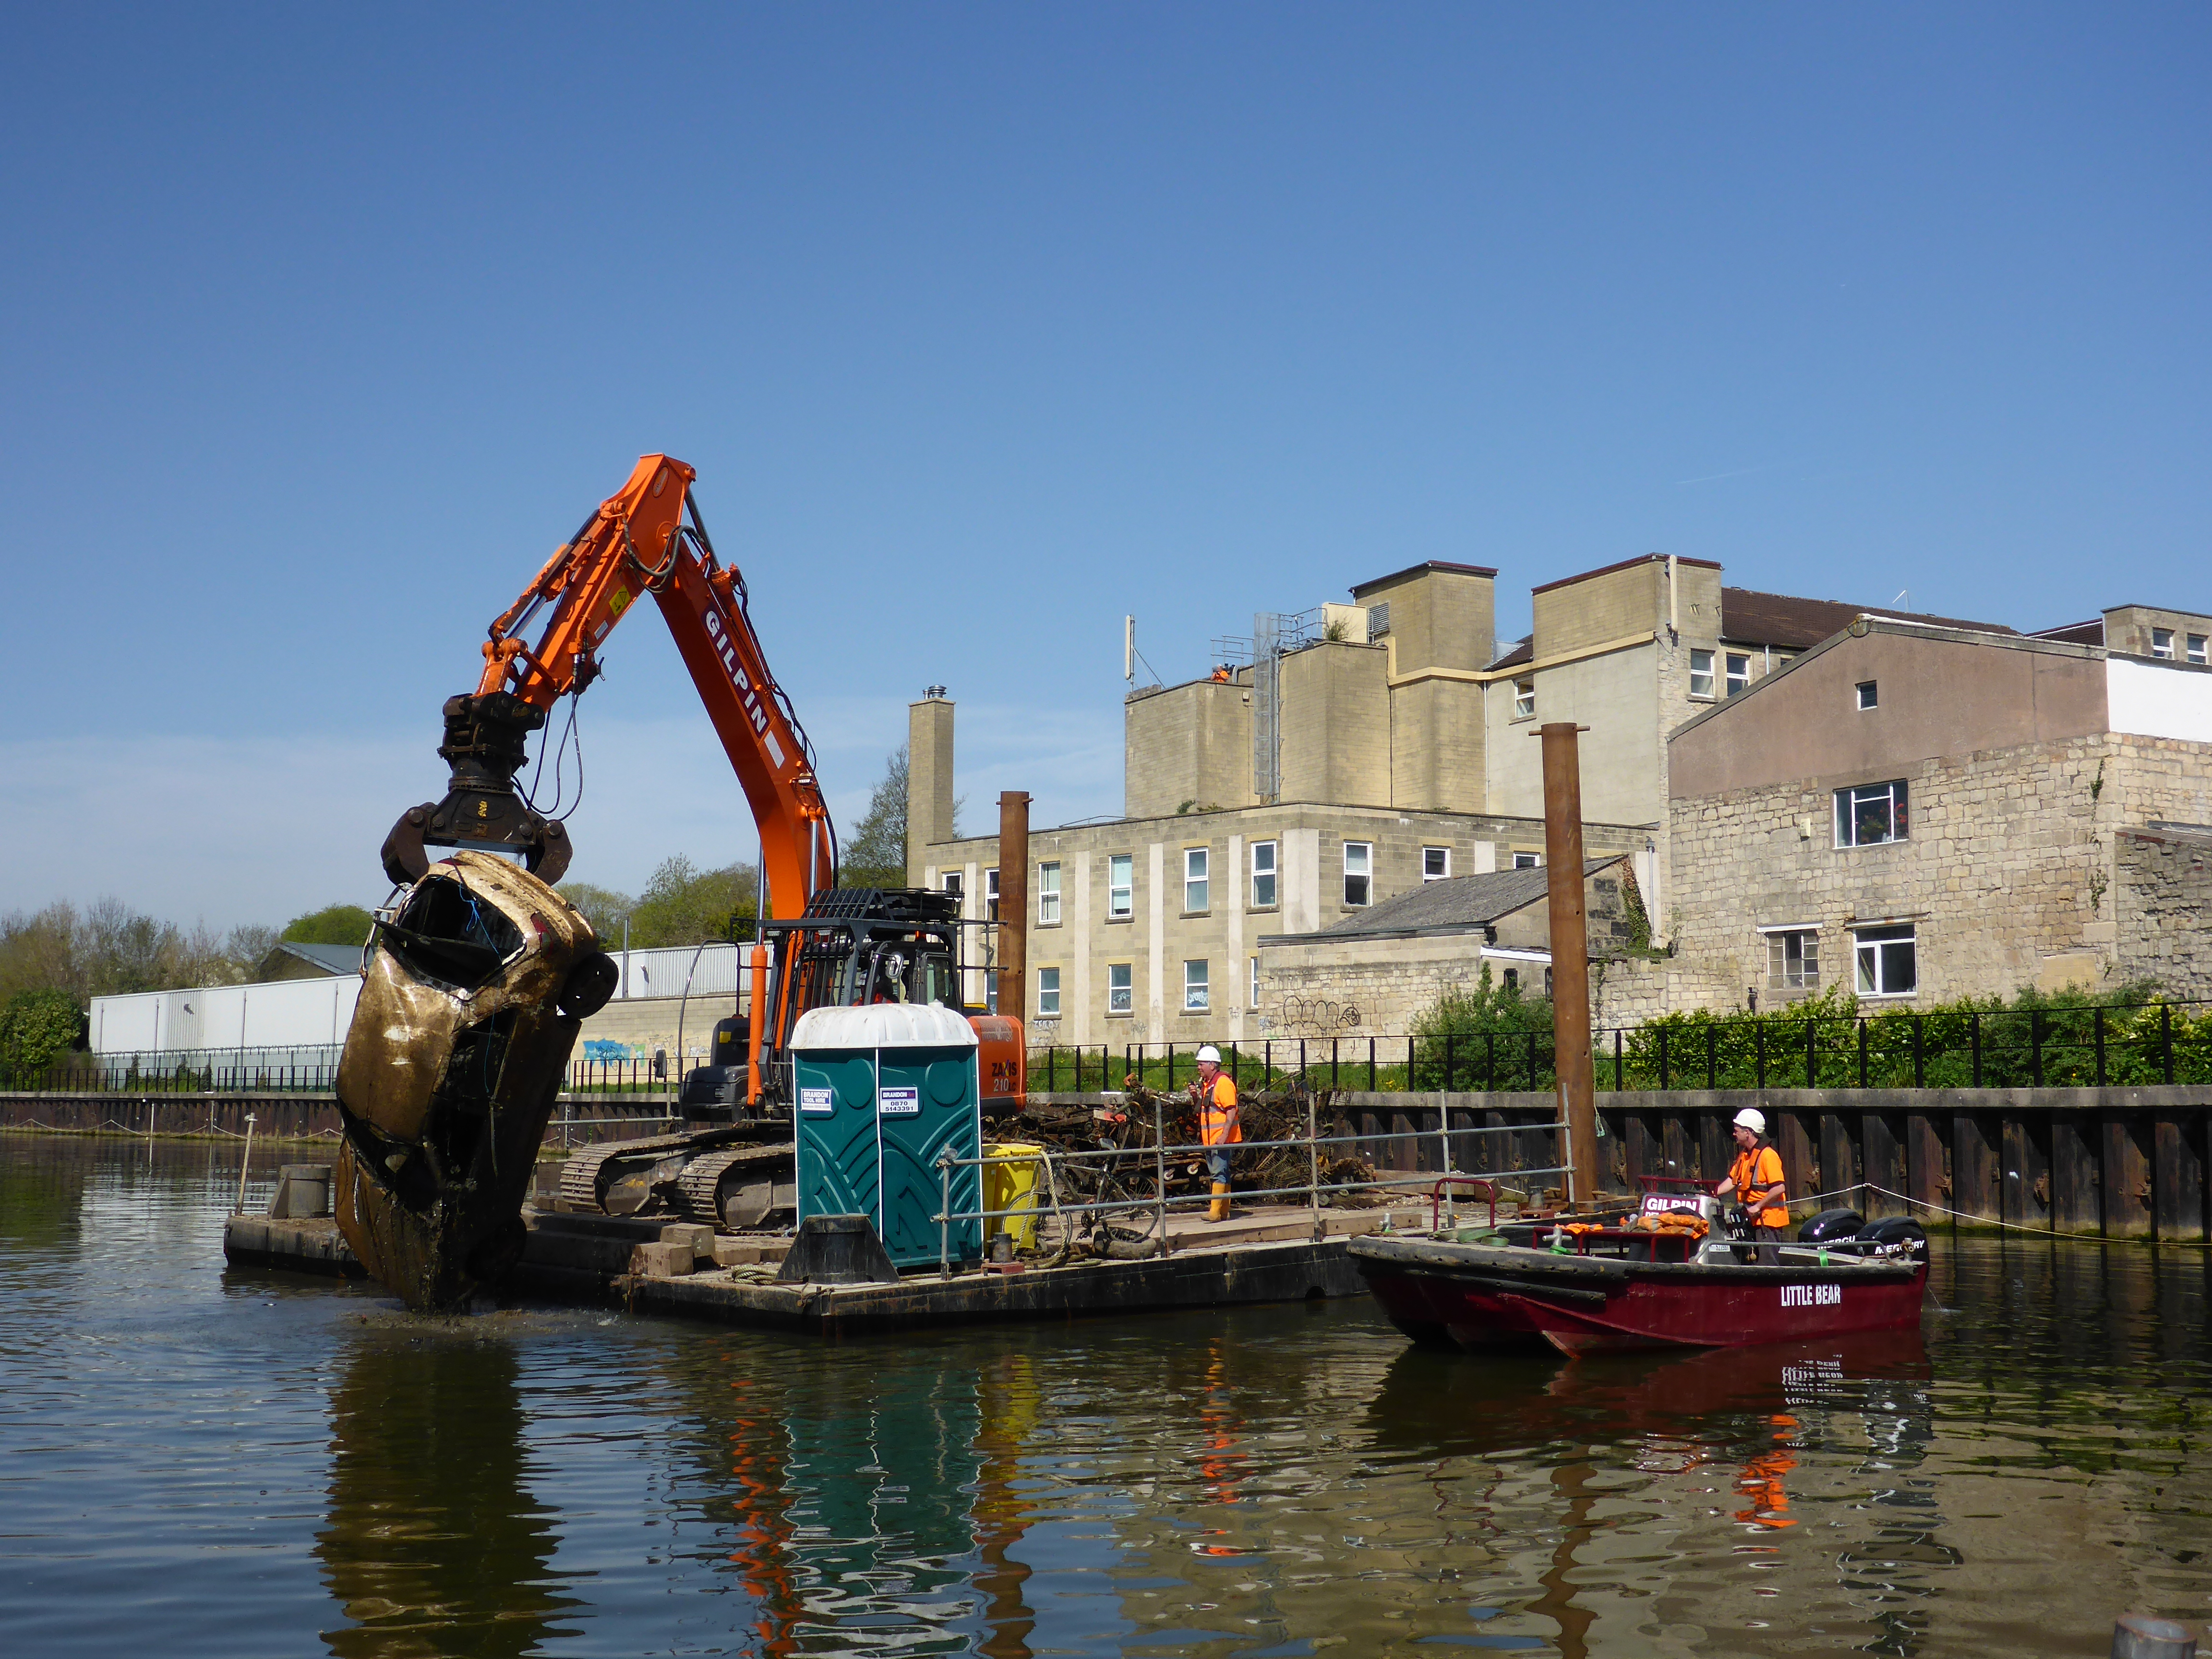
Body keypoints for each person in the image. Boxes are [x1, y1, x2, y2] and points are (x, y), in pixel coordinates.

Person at [1714, 1106, 1789, 1263]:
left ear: (1748, 1132)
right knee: (1749, 1262)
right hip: (1749, 1220)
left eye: (1737, 1130)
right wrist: (1713, 1194)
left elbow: (1779, 1188)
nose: (1734, 1134)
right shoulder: (1746, 1155)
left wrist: (1758, 1207)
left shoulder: (1768, 1156)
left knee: (1767, 1265)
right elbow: (1732, 1180)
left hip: (1766, 1222)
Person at [1187, 1045, 1241, 1222]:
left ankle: (1215, 1212)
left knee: (1219, 1173)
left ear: (1212, 1065)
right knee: (1221, 1173)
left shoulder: (1223, 1083)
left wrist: (1224, 1136)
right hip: (1212, 1139)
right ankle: (1223, 1212)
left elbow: (1231, 1110)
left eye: (1201, 1063)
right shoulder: (1209, 1085)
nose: (1199, 1067)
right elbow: (1203, 1109)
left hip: (1220, 1138)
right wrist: (1196, 1097)